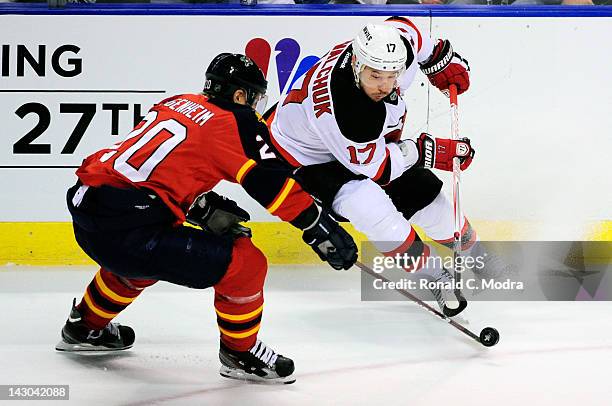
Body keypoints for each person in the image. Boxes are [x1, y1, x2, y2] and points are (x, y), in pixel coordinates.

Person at [56, 53, 358, 384]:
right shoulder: (235, 121)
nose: (255, 107)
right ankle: (240, 353)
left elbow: (153, 168)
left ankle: (84, 326)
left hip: (89, 210)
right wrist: (316, 225)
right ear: (241, 96)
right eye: (255, 98)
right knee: (246, 263)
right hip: (130, 231)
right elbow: (268, 183)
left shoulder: (178, 102)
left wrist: (197, 204)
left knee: (141, 260)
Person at [265, 17, 485, 316]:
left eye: (392, 76)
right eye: (375, 76)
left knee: (425, 197)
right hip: (310, 158)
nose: (384, 86)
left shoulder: (391, 55)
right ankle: (434, 275)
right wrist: (427, 151)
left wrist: (438, 57)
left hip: (362, 146)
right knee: (373, 210)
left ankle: (477, 253)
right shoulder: (345, 112)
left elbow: (405, 27)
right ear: (356, 64)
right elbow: (377, 170)